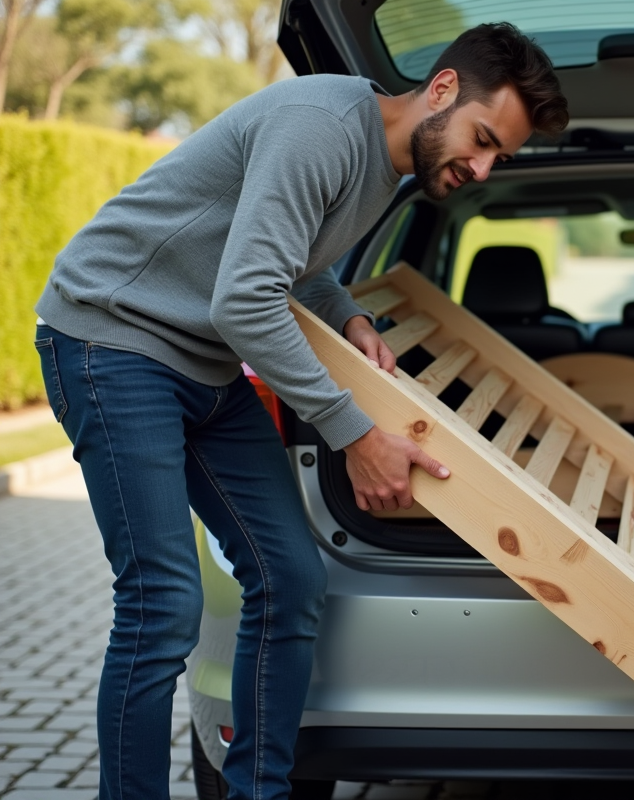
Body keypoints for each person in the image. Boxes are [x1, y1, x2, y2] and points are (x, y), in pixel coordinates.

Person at [31, 22, 568, 800]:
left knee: (289, 576)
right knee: (162, 605)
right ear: (443, 89)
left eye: (500, 158)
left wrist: (348, 314)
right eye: (483, 140)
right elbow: (246, 301)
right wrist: (355, 435)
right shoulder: (319, 127)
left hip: (202, 361)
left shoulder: (387, 163)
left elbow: (295, 265)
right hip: (112, 342)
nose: (482, 168)